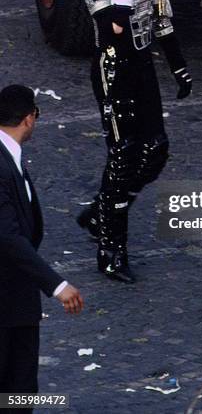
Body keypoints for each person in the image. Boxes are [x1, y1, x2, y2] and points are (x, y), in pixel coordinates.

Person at [78, 0, 192, 283]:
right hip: (113, 68)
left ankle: (100, 211)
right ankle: (111, 248)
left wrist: (178, 66)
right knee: (123, 155)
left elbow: (160, 17)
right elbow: (115, 27)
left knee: (155, 149)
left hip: (142, 66)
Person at [0, 85, 83, 410]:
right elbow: (7, 236)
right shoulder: (3, 167)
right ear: (29, 119)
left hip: (14, 300)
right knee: (16, 391)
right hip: (8, 303)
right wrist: (56, 285)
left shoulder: (10, 160)